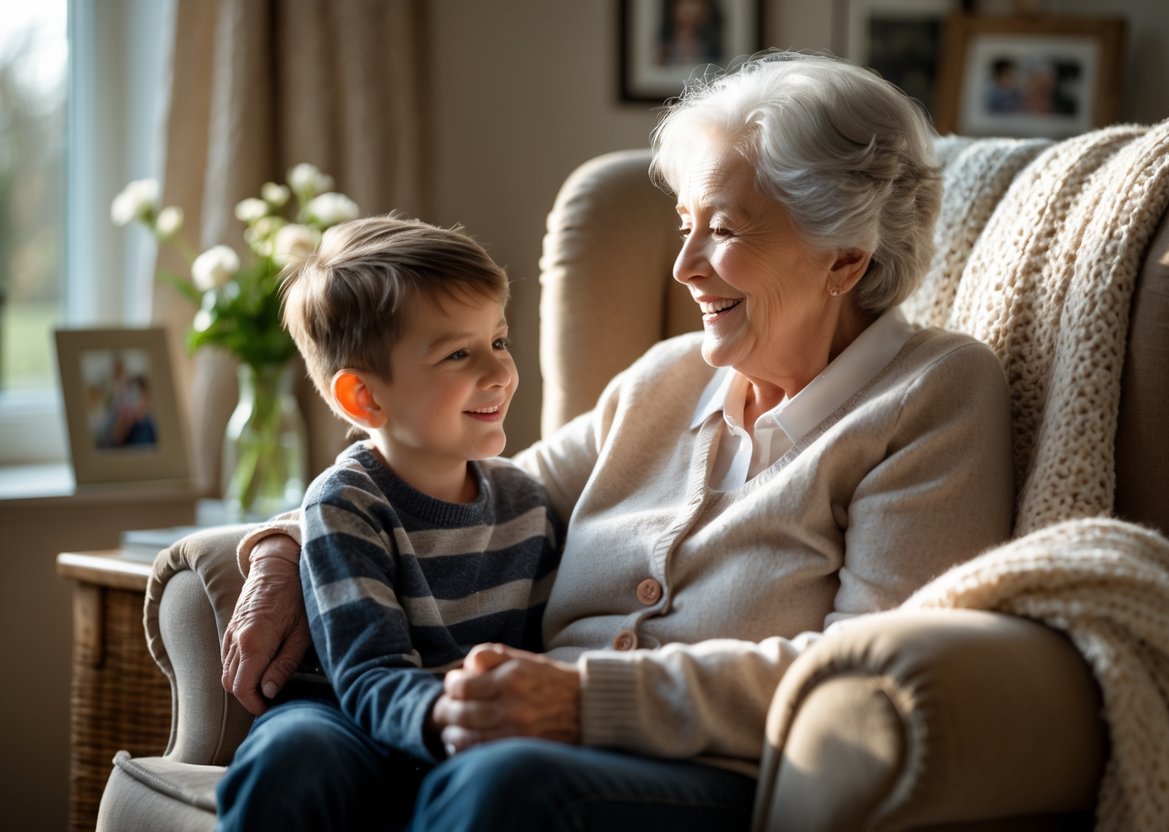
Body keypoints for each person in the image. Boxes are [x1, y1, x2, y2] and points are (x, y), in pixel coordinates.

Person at [220, 51, 1015, 831]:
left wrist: (584, 701)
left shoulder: (931, 393)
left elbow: (867, 672)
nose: (683, 267)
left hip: (707, 771)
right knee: (296, 752)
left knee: (505, 784)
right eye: (684, 225)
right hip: (506, 728)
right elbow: (459, 490)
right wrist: (292, 548)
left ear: (843, 257)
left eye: (724, 229)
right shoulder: (666, 380)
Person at [216, 216, 561, 829]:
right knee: (289, 753)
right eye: (459, 352)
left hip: (475, 737)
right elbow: (369, 674)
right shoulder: (345, 503)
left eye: (499, 342)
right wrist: (446, 715)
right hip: (349, 721)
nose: (500, 372)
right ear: (365, 399)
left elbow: (541, 649)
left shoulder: (528, 503)